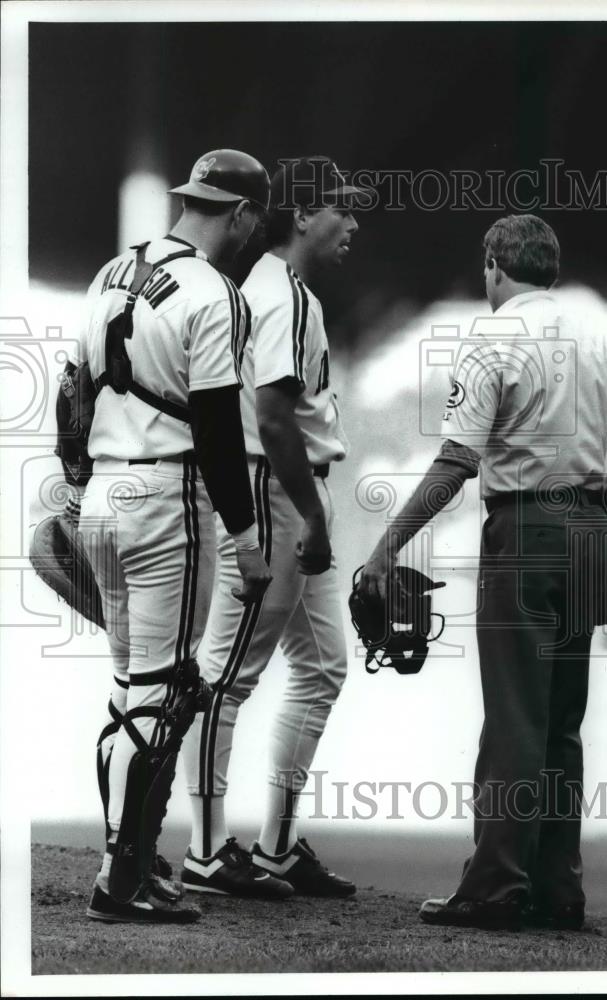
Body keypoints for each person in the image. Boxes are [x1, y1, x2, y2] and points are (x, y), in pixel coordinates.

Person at [359, 214, 607, 931]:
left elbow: (456, 459)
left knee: (514, 718)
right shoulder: (597, 335)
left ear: (493, 267)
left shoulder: (491, 337)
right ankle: (557, 889)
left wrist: (387, 546)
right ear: (552, 269)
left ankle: (495, 885)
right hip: (589, 534)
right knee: (562, 725)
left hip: (525, 529)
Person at [69, 149, 284, 924]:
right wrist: (248, 536)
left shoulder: (107, 274)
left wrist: (76, 486)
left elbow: (72, 395)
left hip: (103, 489)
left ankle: (125, 868)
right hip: (166, 495)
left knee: (132, 694)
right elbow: (222, 429)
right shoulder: (213, 290)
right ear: (244, 214)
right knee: (161, 698)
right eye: (256, 218)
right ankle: (121, 884)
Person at [180, 157, 367, 898]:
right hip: (274, 487)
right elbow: (271, 417)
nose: (351, 225)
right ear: (301, 217)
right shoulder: (280, 294)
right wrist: (313, 519)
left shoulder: (275, 290)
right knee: (228, 676)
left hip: (284, 485)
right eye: (342, 210)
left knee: (321, 668)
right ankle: (201, 852)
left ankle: (277, 847)